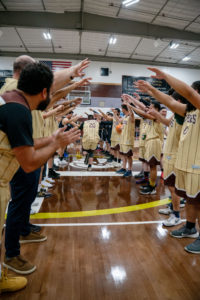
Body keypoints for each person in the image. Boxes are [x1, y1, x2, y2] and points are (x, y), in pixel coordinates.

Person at [0, 62, 81, 291]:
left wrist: (52, 139)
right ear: (45, 92)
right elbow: (29, 162)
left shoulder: (12, 100)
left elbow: (24, 142)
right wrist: (56, 143)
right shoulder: (19, 111)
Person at [136, 70, 200, 253]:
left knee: (199, 202)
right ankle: (189, 227)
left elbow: (187, 93)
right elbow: (170, 102)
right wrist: (151, 90)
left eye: (195, 91)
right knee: (190, 201)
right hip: (185, 163)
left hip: (198, 165)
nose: (190, 95)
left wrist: (165, 77)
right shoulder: (189, 110)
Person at [116, 103, 135, 177]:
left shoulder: (131, 116)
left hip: (128, 139)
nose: (121, 109)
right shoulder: (125, 117)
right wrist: (115, 114)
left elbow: (132, 114)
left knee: (128, 156)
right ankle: (123, 168)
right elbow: (119, 121)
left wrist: (129, 106)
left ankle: (130, 170)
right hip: (123, 138)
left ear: (124, 109)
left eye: (122, 108)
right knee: (123, 154)